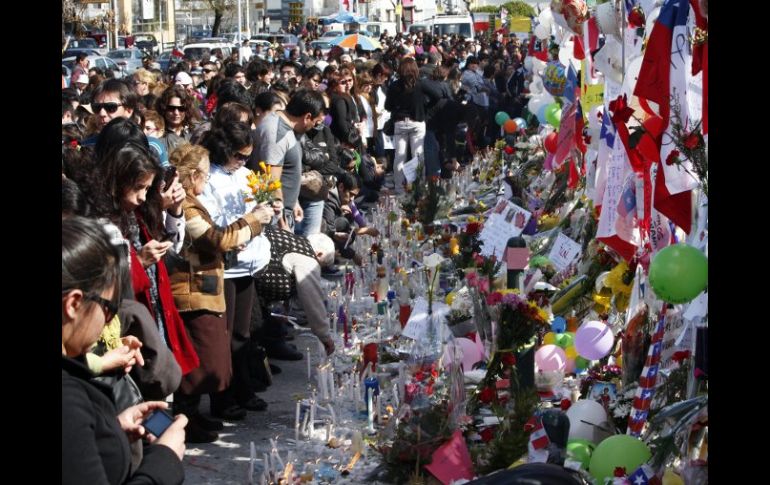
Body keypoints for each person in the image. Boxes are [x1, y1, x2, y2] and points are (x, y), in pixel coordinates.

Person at [62, 215, 187, 484]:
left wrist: (109, 429)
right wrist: (165, 459)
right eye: (109, 308)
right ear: (73, 304)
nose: (109, 320)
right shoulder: (67, 399)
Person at [168, 143, 273, 442]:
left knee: (208, 359)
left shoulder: (192, 202)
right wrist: (254, 221)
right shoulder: (186, 208)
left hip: (205, 287)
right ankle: (184, 419)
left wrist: (243, 231)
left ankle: (192, 415)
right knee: (200, 362)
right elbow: (215, 239)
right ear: (194, 176)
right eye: (203, 174)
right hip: (192, 291)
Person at [251, 89, 327, 232]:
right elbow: (270, 181)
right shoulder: (277, 132)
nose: (314, 127)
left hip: (286, 211)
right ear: (307, 117)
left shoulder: (288, 129)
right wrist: (281, 223)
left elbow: (286, 169)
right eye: (316, 122)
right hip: (275, 219)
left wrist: (294, 203)